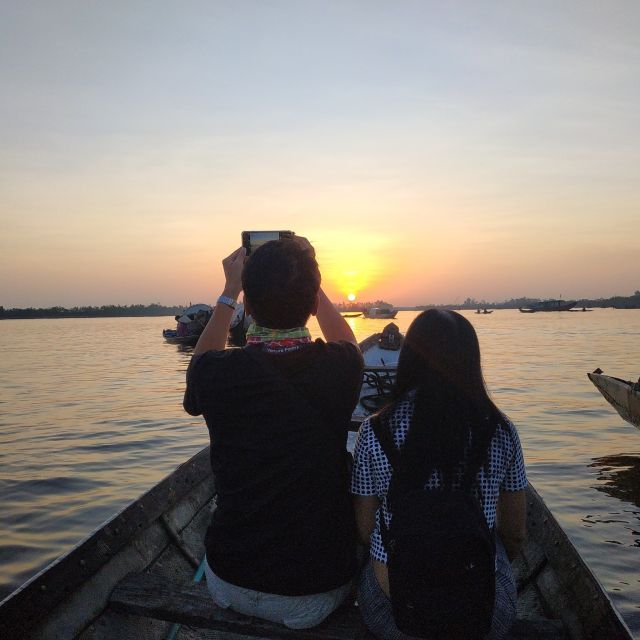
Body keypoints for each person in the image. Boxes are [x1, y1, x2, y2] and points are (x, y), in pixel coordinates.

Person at [183, 236, 364, 629]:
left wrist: (230, 289)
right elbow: (350, 343)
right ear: (314, 302)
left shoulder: (217, 374)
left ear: (248, 305)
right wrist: (312, 285)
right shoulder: (341, 367)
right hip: (315, 591)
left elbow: (199, 364)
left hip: (229, 581)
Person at [351, 309, 527, 640]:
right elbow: (516, 533)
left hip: (395, 618)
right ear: (471, 362)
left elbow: (364, 529)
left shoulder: (374, 432)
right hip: (482, 620)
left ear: (409, 359)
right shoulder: (502, 430)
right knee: (495, 540)